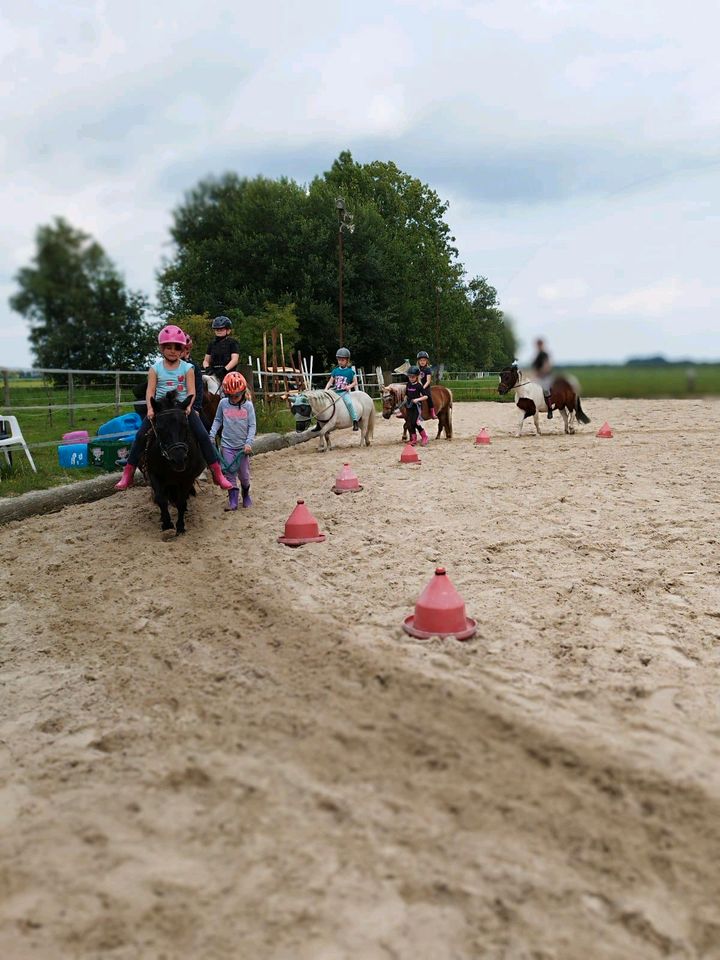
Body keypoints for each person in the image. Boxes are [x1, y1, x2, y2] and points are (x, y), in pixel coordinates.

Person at [115, 326, 233, 491]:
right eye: (168, 347)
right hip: (161, 408)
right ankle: (128, 473)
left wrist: (189, 407)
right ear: (161, 348)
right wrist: (150, 409)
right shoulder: (155, 369)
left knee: (203, 435)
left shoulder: (188, 368)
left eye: (177, 347)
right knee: (141, 435)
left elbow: (191, 391)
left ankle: (217, 472)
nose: (172, 351)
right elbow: (150, 391)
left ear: (183, 349)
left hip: (181, 408)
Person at [209, 372, 256, 511]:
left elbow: (252, 425)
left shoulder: (248, 406)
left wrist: (249, 443)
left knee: (244, 476)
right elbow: (218, 420)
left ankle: (246, 494)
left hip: (242, 448)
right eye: (230, 396)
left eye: (236, 396)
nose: (233, 399)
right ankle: (233, 500)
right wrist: (211, 435)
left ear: (242, 392)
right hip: (227, 446)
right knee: (229, 473)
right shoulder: (223, 403)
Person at [324, 347, 360, 431]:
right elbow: (330, 382)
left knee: (349, 403)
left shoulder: (350, 371)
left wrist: (349, 387)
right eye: (339, 360)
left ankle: (355, 420)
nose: (340, 362)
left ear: (347, 360)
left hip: (344, 393)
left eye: (343, 360)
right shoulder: (335, 371)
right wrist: (326, 389)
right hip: (335, 392)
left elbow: (355, 382)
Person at [203, 316, 240, 387]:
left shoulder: (232, 343)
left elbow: (235, 359)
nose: (219, 331)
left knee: (232, 389)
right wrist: (207, 368)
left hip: (228, 373)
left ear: (228, 330)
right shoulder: (212, 344)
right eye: (217, 329)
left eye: (221, 329)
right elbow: (206, 360)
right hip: (213, 373)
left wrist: (225, 369)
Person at [404, 366, 429, 446]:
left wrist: (417, 399)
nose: (411, 378)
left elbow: (425, 396)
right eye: (410, 377)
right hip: (409, 406)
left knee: (415, 422)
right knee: (410, 423)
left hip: (416, 407)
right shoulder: (408, 384)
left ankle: (424, 437)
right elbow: (407, 394)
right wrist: (405, 398)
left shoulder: (419, 386)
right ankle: (414, 439)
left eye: (413, 377)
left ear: (417, 377)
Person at [532, 338, 554, 419]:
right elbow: (534, 366)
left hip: (545, 376)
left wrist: (541, 373)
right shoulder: (537, 355)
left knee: (545, 390)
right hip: (538, 376)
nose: (538, 346)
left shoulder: (545, 354)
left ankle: (550, 409)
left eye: (539, 344)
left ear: (542, 345)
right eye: (537, 345)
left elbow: (547, 366)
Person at [416, 351, 436, 419]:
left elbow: (428, 381)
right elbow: (418, 379)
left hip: (426, 387)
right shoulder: (417, 369)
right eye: (421, 360)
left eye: (424, 360)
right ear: (418, 361)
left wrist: (422, 388)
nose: (422, 362)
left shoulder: (428, 369)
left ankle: (432, 412)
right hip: (419, 386)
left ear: (426, 361)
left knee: (429, 398)